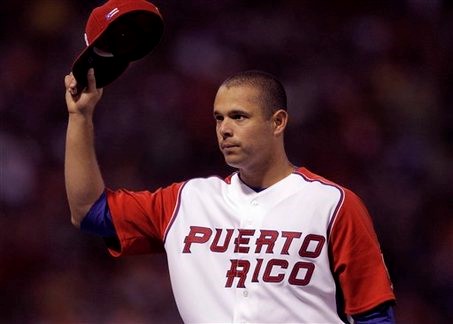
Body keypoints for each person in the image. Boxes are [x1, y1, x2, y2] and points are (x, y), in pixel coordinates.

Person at [64, 68, 396, 323]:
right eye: (219, 118)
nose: (224, 129)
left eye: (239, 116)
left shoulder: (332, 204)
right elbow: (90, 211)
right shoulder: (187, 201)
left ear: (277, 122)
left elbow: (374, 314)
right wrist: (80, 117)